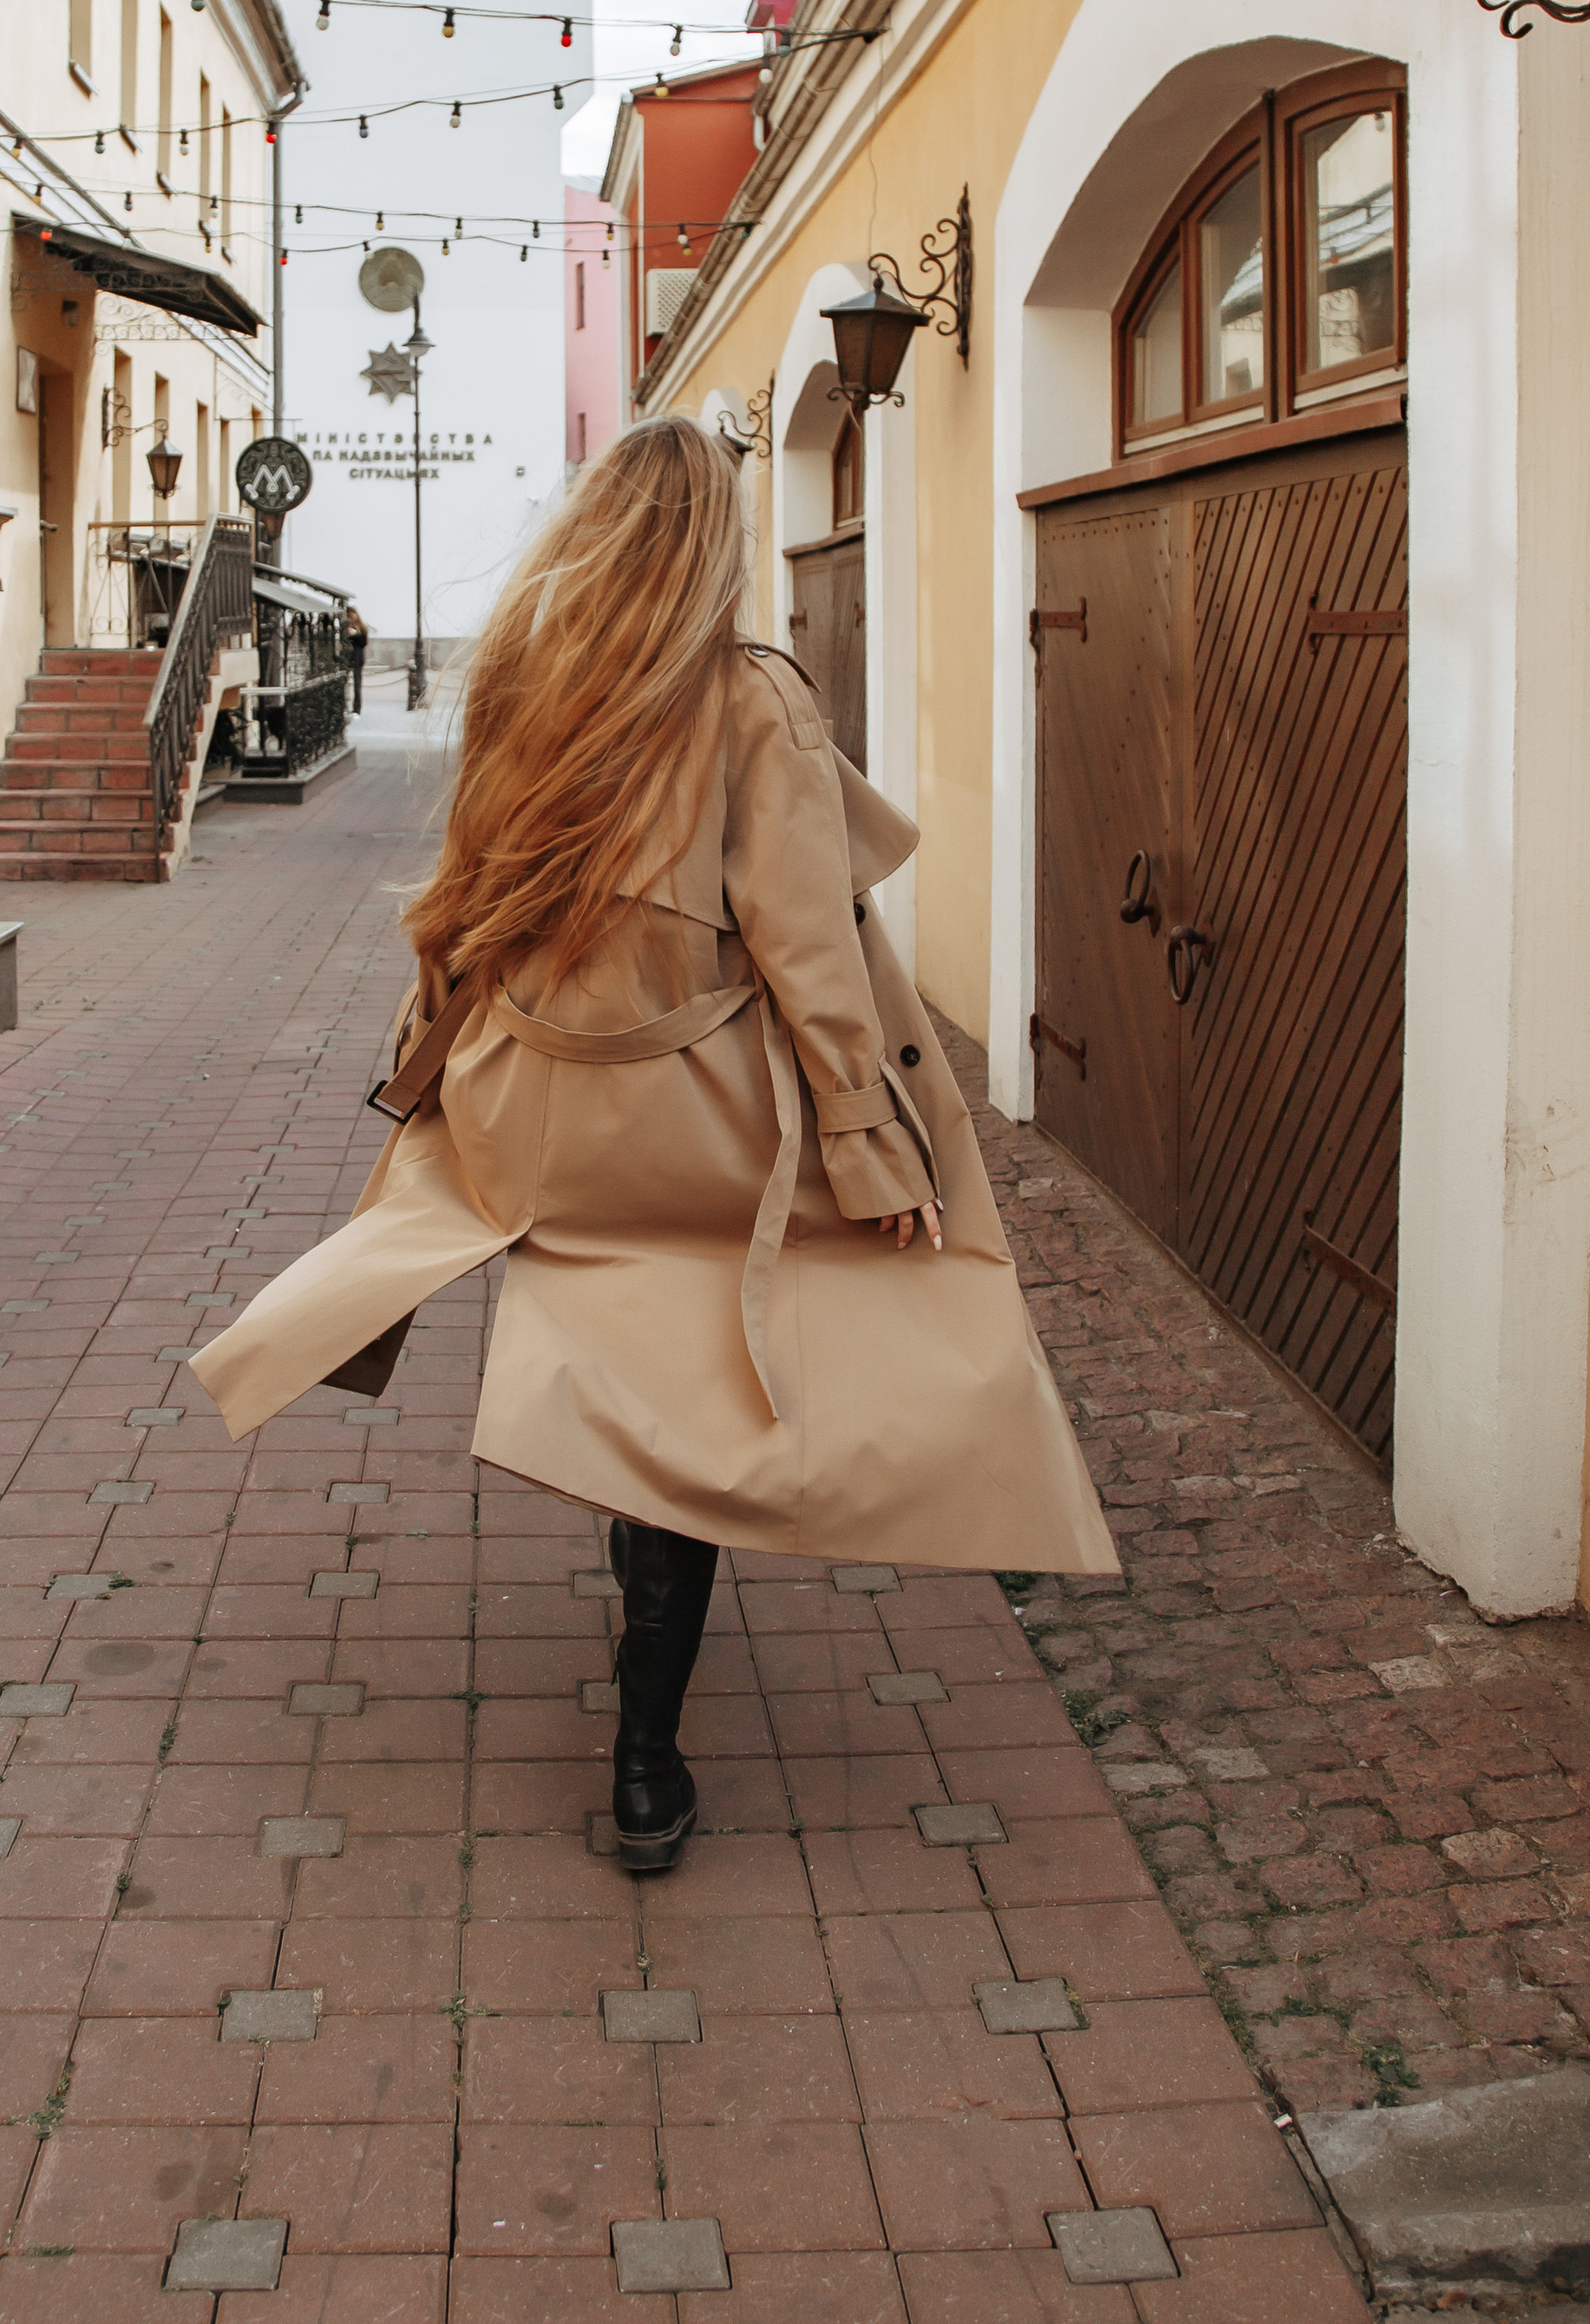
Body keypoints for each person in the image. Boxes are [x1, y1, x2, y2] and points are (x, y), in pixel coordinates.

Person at [192, 416, 1114, 1875]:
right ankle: (642, 1764)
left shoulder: (524, 680)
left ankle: (631, 1565)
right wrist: (876, 1157)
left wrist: (426, 1064)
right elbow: (814, 954)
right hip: (684, 1125)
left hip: (529, 1115)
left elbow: (462, 897)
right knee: (683, 1410)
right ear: (716, 547)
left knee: (620, 1367)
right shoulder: (749, 698)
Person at [344, 600, 370, 713]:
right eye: (349, 616)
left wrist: (355, 635)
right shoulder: (345, 627)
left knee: (357, 684)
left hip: (358, 658)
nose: (351, 618)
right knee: (345, 683)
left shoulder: (361, 627)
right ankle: (345, 706)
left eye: (352, 615)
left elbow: (363, 642)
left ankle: (357, 708)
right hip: (348, 657)